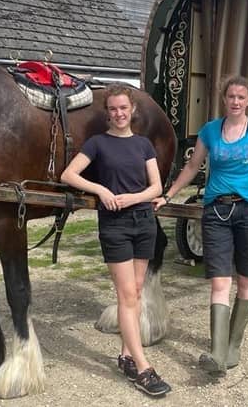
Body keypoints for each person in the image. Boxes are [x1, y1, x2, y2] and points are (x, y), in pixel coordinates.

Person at [154, 74, 248, 376]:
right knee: (220, 282)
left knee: (247, 281)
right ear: (224, 99)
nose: (235, 101)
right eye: (230, 97)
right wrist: (168, 194)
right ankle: (217, 352)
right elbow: (192, 166)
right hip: (216, 213)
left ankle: (233, 347)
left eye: (241, 97)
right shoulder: (210, 131)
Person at [61, 84, 172, 397]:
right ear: (107, 112)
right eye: (113, 109)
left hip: (143, 222)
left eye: (123, 108)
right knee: (126, 295)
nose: (119, 114)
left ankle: (126, 354)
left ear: (132, 109)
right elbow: (69, 175)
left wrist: (130, 198)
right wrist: (102, 191)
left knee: (136, 291)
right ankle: (142, 367)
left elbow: (156, 188)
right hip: (115, 226)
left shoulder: (143, 145)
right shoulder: (97, 144)